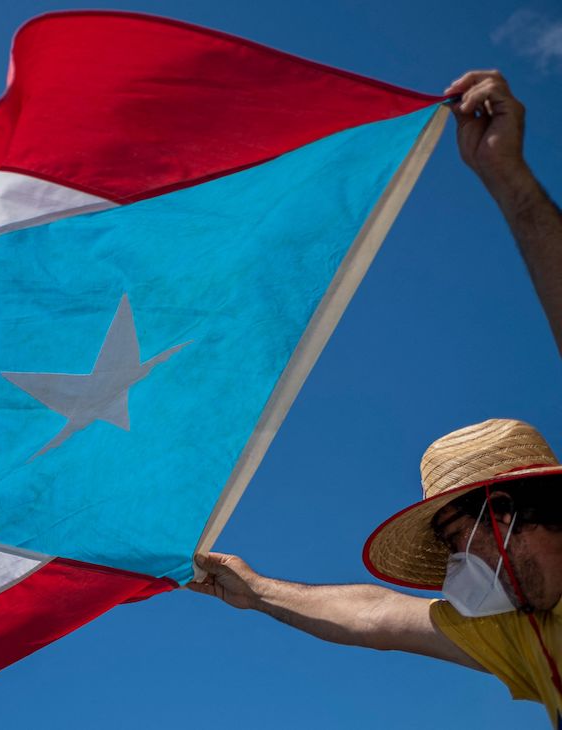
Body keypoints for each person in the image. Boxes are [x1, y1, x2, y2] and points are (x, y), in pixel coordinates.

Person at [189, 70, 562, 724]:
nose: (454, 568)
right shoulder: (524, 635)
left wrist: (507, 179)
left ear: (505, 513)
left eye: (456, 538)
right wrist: (258, 590)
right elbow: (378, 614)